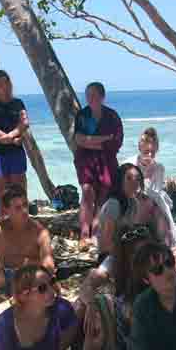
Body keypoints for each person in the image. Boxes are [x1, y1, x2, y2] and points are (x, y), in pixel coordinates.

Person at [70, 223, 158, 350]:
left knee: (103, 305)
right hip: (116, 330)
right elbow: (87, 284)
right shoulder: (116, 263)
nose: (142, 257)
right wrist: (90, 304)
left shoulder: (160, 264)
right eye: (136, 252)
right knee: (82, 304)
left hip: (138, 335)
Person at [0, 184, 55, 295]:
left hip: (30, 280)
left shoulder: (39, 232)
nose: (24, 210)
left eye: (25, 204)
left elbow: (48, 263)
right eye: (18, 207)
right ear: (6, 210)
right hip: (2, 280)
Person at [74, 82, 124, 247]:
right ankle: (84, 234)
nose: (90, 98)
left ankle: (96, 232)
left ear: (102, 97)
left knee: (103, 196)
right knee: (87, 193)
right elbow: (79, 140)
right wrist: (104, 139)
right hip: (85, 160)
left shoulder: (112, 116)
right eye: (88, 95)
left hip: (107, 161)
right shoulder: (82, 115)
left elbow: (116, 142)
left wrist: (90, 142)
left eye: (94, 95)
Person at [97, 163, 172, 258]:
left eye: (138, 178)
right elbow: (106, 245)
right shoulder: (113, 204)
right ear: (120, 181)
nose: (134, 182)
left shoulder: (133, 202)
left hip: (126, 252)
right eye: (129, 178)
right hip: (109, 256)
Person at [0, 69, 29, 211]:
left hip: (16, 149)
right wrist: (6, 138)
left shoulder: (18, 103)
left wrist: (11, 135)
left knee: (19, 187)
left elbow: (24, 123)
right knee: (3, 188)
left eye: (5, 81)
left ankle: (22, 218)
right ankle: (4, 220)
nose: (2, 85)